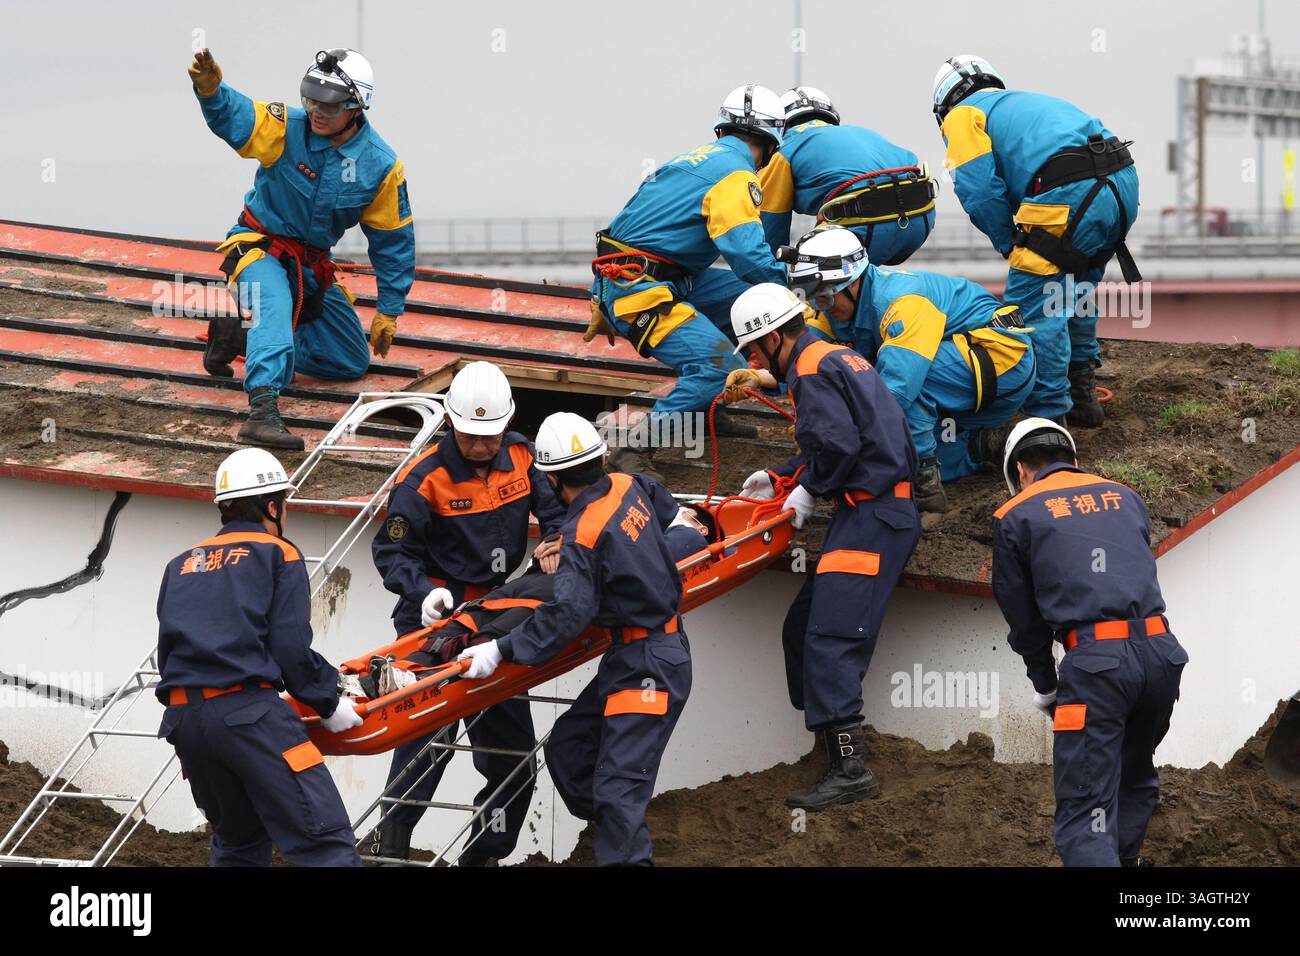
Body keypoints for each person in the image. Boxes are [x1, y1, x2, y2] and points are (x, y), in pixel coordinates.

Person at [455, 412, 691, 866]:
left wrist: (501, 649)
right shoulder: (625, 485)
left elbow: (567, 614)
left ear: (552, 478)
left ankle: (623, 840)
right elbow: (659, 505)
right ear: (600, 459)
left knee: (617, 790)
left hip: (648, 665)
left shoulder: (583, 534)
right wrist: (684, 523)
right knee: (568, 751)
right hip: (638, 656)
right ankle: (617, 835)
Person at [728, 284, 920, 809]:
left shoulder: (812, 371)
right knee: (802, 626)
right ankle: (827, 744)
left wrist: (809, 490)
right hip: (874, 510)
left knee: (830, 637)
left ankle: (849, 768)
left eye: (751, 349)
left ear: (772, 337)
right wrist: (778, 475)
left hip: (873, 514)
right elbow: (845, 441)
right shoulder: (836, 357)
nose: (750, 360)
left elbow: (837, 448)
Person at [368, 361, 564, 864]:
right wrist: (423, 591)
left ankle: (483, 856)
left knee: (512, 755)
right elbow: (392, 552)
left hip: (499, 613)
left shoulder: (523, 455)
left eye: (490, 437)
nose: (481, 447)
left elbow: (562, 509)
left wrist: (558, 540)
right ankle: (391, 849)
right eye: (471, 436)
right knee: (424, 739)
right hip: (436, 616)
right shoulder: (422, 478)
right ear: (450, 423)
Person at [188, 47, 415, 449]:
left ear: (356, 106)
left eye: (327, 105)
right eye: (310, 98)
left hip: (310, 268)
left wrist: (389, 309)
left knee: (348, 360)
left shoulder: (380, 166)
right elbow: (237, 116)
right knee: (272, 306)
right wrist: (211, 91)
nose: (315, 111)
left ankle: (236, 338)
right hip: (259, 251)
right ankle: (263, 410)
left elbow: (392, 241)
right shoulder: (285, 127)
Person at [992, 418, 1188, 866]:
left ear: (1020, 469)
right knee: (1133, 780)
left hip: (1098, 667)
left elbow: (1025, 621)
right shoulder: (1126, 496)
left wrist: (1045, 686)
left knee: (1086, 809)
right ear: (1075, 460)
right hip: (1162, 656)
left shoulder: (1014, 515)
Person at [154, 448, 363, 866]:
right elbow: (289, 647)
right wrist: (327, 701)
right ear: (272, 505)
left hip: (186, 725)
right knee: (325, 842)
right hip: (249, 717)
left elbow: (169, 652)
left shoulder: (181, 565)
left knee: (238, 845)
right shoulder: (279, 553)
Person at [933, 54, 1140, 428]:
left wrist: (1007, 242)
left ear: (945, 105)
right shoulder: (1024, 102)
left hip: (1070, 192)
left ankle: (1047, 421)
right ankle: (1081, 397)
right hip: (1121, 185)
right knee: (1073, 291)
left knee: (1034, 307)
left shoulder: (961, 116)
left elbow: (977, 189)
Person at [585, 85, 791, 456]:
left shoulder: (691, 159)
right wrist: (787, 293)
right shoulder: (737, 174)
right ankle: (633, 450)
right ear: (771, 142)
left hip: (644, 276)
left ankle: (708, 411)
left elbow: (630, 229)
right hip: (640, 287)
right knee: (716, 366)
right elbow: (746, 254)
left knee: (746, 303)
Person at [782, 225, 1036, 512]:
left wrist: (834, 427)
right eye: (812, 298)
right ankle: (982, 445)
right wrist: (762, 377)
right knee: (888, 452)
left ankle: (925, 488)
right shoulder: (838, 305)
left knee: (892, 393)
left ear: (852, 282)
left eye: (825, 298)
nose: (820, 307)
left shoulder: (902, 303)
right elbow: (804, 355)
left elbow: (896, 392)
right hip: (966, 376)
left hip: (1002, 361)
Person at [760, 86, 937, 264]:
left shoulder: (783, 149)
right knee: (865, 284)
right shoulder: (863, 132)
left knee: (809, 276)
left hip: (862, 223)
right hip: (921, 219)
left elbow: (771, 227)